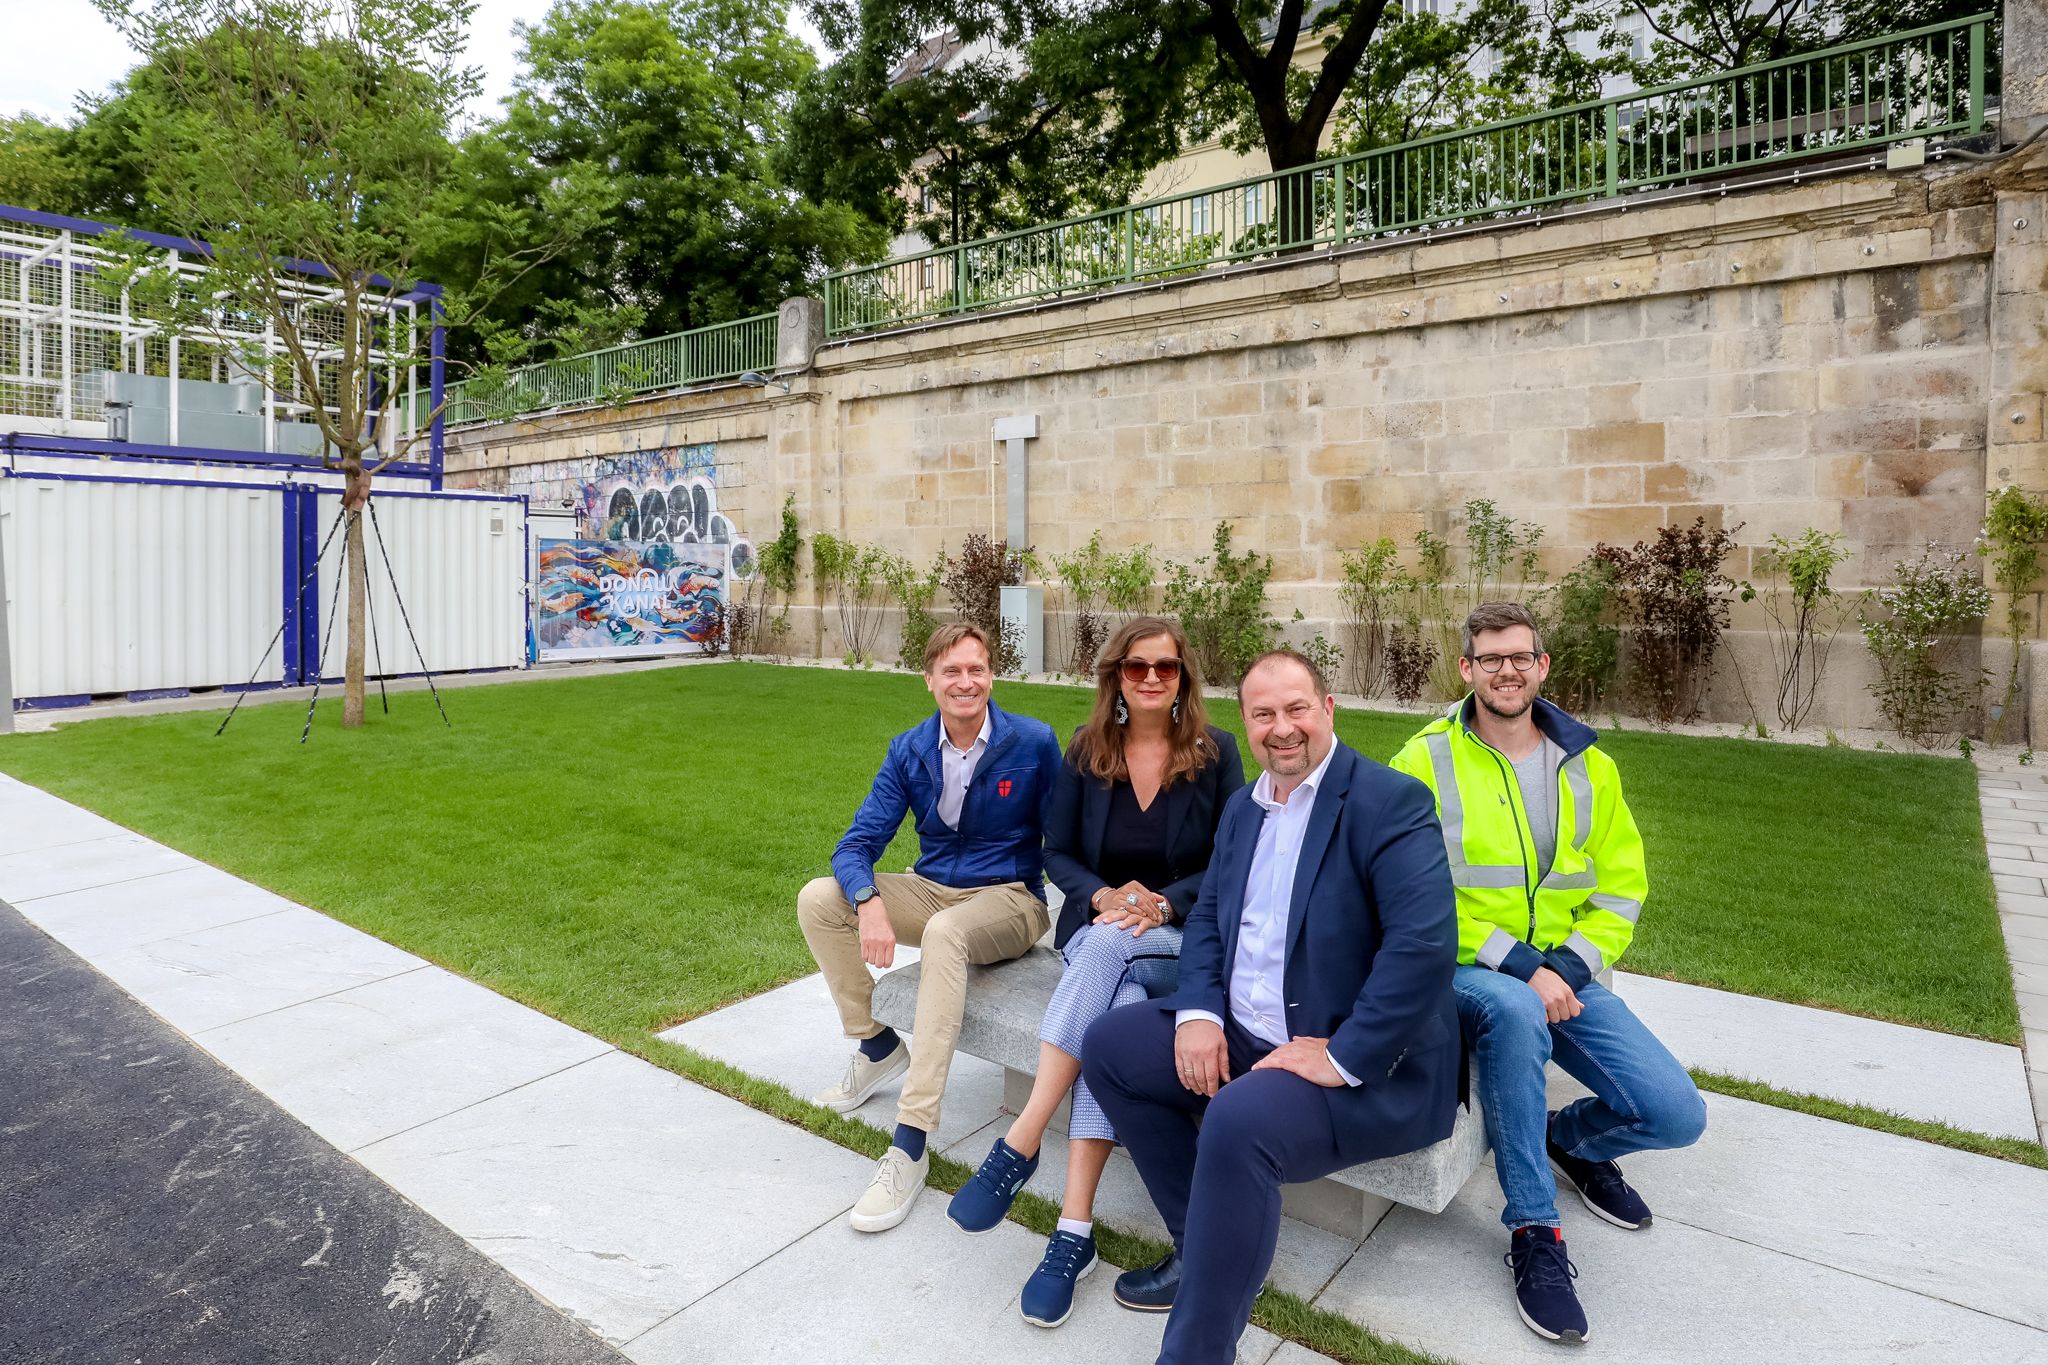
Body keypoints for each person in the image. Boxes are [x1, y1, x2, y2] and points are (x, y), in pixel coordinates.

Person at [1080, 651, 1460, 1365]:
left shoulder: (1389, 802)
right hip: (1253, 1036)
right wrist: (1198, 1012)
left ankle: (1196, 1349)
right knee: (1109, 1047)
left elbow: (1423, 948)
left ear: (1328, 708)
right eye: (1263, 714)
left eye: (1295, 709)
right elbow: (1213, 920)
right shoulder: (1244, 808)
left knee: (1238, 1120)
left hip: (1362, 1061)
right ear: (1246, 725)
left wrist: (1344, 1053)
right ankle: (1207, 1249)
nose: (1282, 729)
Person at [1389, 602, 1706, 1345]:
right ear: (1466, 668)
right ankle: (1535, 1227)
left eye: (1519, 656)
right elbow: (1409, 891)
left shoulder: (1590, 765)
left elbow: (1622, 890)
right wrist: (1522, 964)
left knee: (1676, 1115)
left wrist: (1568, 963)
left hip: (1567, 974)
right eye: (1490, 657)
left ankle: (1573, 1140)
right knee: (1517, 1011)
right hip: (1469, 970)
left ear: (1542, 666)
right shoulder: (1424, 759)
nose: (1506, 669)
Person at [945, 617, 1245, 1328]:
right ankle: (1073, 1228)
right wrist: (1106, 896)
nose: (1149, 677)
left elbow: (1233, 860)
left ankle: (1023, 1141)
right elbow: (1060, 853)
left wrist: (1164, 901)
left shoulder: (1218, 753)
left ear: (1182, 678)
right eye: (1135, 666)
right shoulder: (1087, 751)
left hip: (1181, 936)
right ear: (1114, 675)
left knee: (1116, 951)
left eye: (1165, 667)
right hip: (1103, 932)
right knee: (1117, 997)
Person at [796, 622, 1064, 1233]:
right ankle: (876, 1043)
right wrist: (866, 900)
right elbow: (857, 843)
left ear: (991, 676)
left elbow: (1066, 839)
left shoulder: (1033, 742)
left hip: (1010, 898)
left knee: (945, 931)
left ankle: (911, 1141)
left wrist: (1092, 906)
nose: (965, 682)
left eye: (976, 670)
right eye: (952, 672)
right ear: (930, 681)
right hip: (933, 883)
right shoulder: (910, 749)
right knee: (819, 898)